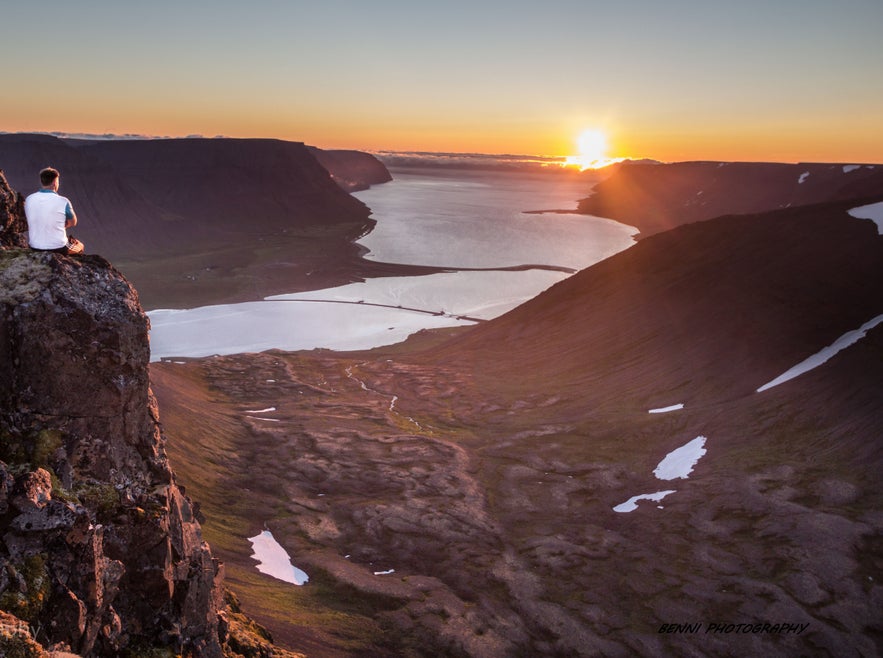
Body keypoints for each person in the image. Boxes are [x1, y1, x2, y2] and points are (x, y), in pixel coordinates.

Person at [24, 167, 84, 254]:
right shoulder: (63, 201)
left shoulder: (29, 199)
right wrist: (59, 225)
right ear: (55, 183)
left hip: (34, 246)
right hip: (58, 247)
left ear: (42, 182)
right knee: (80, 246)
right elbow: (73, 222)